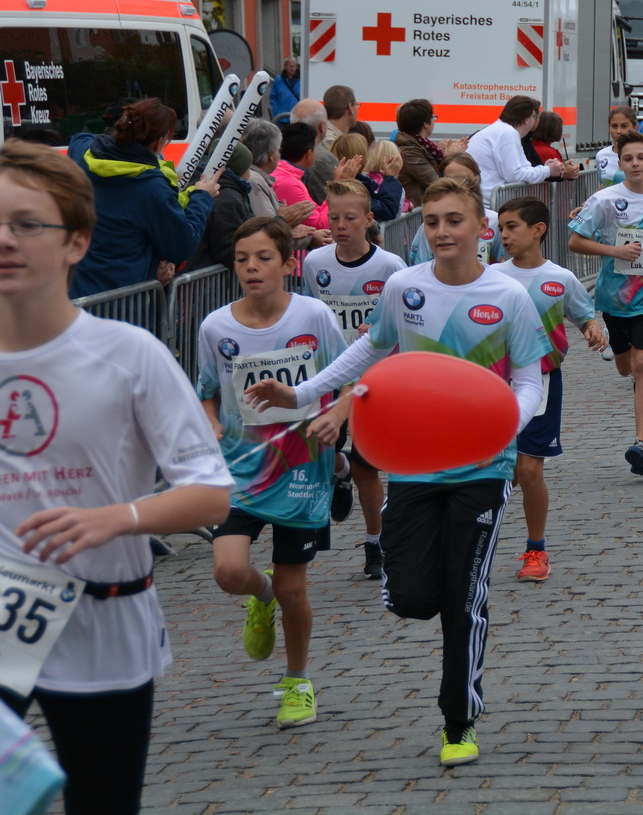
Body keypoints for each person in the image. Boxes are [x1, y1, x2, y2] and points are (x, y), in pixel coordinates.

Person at [246, 176, 551, 767]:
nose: (441, 231)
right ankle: (440, 591)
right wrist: (303, 392)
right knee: (411, 597)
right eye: (431, 221)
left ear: (481, 227)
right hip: (414, 464)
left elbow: (530, 380)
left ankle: (457, 721)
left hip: (483, 467)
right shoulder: (404, 287)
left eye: (453, 220)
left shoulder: (509, 296)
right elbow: (373, 349)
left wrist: (500, 425)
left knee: (465, 599)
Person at [0, 141, 232, 814]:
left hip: (103, 612)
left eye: (25, 224)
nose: (4, 240)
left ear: (77, 243)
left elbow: (211, 491)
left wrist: (115, 517)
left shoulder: (128, 354)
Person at [197, 217, 344, 729]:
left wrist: (334, 415)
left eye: (263, 258)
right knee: (228, 571)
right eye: (242, 259)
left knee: (294, 589)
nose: (251, 268)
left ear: (288, 263)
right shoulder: (215, 327)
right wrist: (212, 424)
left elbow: (347, 377)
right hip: (241, 470)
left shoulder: (314, 315)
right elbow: (207, 391)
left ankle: (298, 680)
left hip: (303, 467)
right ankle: (258, 598)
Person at [489, 197, 605, 583]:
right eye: (501, 228)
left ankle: (536, 550)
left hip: (541, 381)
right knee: (497, 472)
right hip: (493, 385)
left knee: (528, 467)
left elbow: (584, 315)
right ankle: (474, 543)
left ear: (538, 230)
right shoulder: (490, 276)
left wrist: (592, 329)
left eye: (512, 227)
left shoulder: (562, 278)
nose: (503, 234)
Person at [299, 178, 407, 578]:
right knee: (315, 450)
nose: (340, 224)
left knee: (368, 469)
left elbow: (401, 323)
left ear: (368, 219)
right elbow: (312, 316)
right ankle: (337, 472)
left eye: (350, 217)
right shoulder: (315, 264)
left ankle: (375, 542)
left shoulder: (390, 267)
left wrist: (375, 328)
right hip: (327, 375)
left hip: (371, 378)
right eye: (333, 216)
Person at [567, 130, 643, 474]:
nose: (635, 163)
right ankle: (631, 370)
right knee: (625, 366)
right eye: (628, 158)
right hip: (614, 297)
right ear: (620, 162)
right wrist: (614, 250)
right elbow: (575, 241)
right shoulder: (604, 199)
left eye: (640, 158)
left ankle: (641, 444)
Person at [68, 97, 220, 295]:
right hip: (124, 303)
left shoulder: (84, 156)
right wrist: (202, 196)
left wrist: (113, 141)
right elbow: (181, 245)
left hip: (77, 293)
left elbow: (78, 139)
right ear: (158, 142)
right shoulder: (152, 187)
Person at [467, 95, 564, 201]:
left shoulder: (502, 131)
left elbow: (523, 168)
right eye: (535, 117)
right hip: (489, 204)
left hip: (484, 201)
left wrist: (544, 169)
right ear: (527, 119)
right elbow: (515, 175)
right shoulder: (508, 133)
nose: (535, 121)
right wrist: (547, 170)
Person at [184, 144, 257, 272]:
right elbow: (227, 249)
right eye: (248, 167)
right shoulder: (229, 199)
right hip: (203, 280)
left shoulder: (201, 183)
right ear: (241, 170)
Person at [394, 98, 462, 208]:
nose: (434, 121)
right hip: (418, 214)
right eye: (433, 117)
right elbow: (435, 183)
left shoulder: (422, 145)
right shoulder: (409, 151)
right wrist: (450, 157)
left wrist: (445, 153)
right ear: (426, 124)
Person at [595, 106, 643, 189]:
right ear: (609, 127)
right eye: (614, 126)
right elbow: (603, 186)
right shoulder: (601, 156)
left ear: (635, 128)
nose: (618, 131)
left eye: (624, 126)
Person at [270, 57, 301, 123]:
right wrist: (275, 110)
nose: (292, 68)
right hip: (281, 117)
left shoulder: (301, 80)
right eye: (290, 66)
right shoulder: (278, 80)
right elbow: (272, 96)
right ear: (285, 67)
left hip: (297, 116)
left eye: (294, 66)